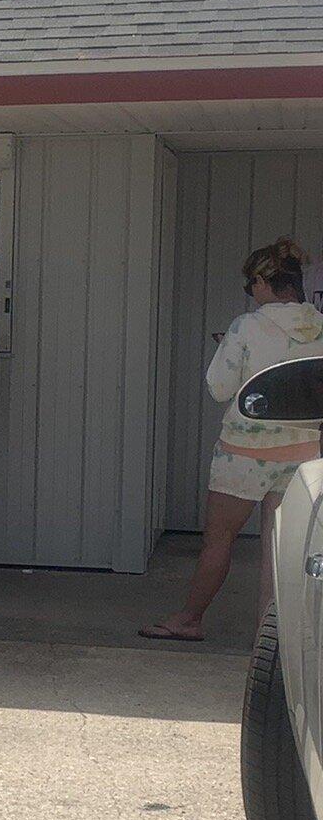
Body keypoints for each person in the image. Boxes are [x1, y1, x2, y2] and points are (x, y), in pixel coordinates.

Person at [142, 237, 323, 642]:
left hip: (245, 453)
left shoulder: (247, 327)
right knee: (278, 550)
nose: (250, 292)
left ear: (263, 281)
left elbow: (219, 387)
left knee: (218, 541)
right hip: (303, 455)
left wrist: (228, 348)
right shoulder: (320, 327)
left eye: (250, 284)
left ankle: (189, 619)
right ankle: (270, 636)